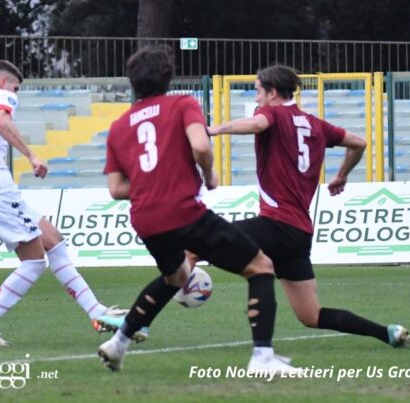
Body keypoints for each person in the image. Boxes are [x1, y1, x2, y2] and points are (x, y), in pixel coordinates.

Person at [96, 46, 295, 375]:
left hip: (145, 220)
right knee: (260, 267)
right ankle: (263, 358)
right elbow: (201, 145)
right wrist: (208, 175)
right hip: (183, 211)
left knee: (176, 276)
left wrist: (152, 185)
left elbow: (117, 189)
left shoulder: (119, 127)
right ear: (168, 77)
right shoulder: (182, 104)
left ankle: (118, 343)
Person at [204, 64, 410, 350]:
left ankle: (141, 320)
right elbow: (359, 143)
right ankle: (387, 332)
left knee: (198, 243)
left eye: (257, 92)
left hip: (275, 223)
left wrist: (214, 130)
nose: (255, 99)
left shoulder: (270, 114)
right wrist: (342, 175)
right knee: (310, 315)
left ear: (272, 93)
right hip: (299, 232)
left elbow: (257, 125)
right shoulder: (315, 124)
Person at [0, 60, 125, 347]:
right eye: (16, 88)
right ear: (5, 83)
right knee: (33, 262)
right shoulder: (1, 96)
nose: (16, 94)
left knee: (53, 240)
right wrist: (32, 157)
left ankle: (97, 312)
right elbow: (1, 121)